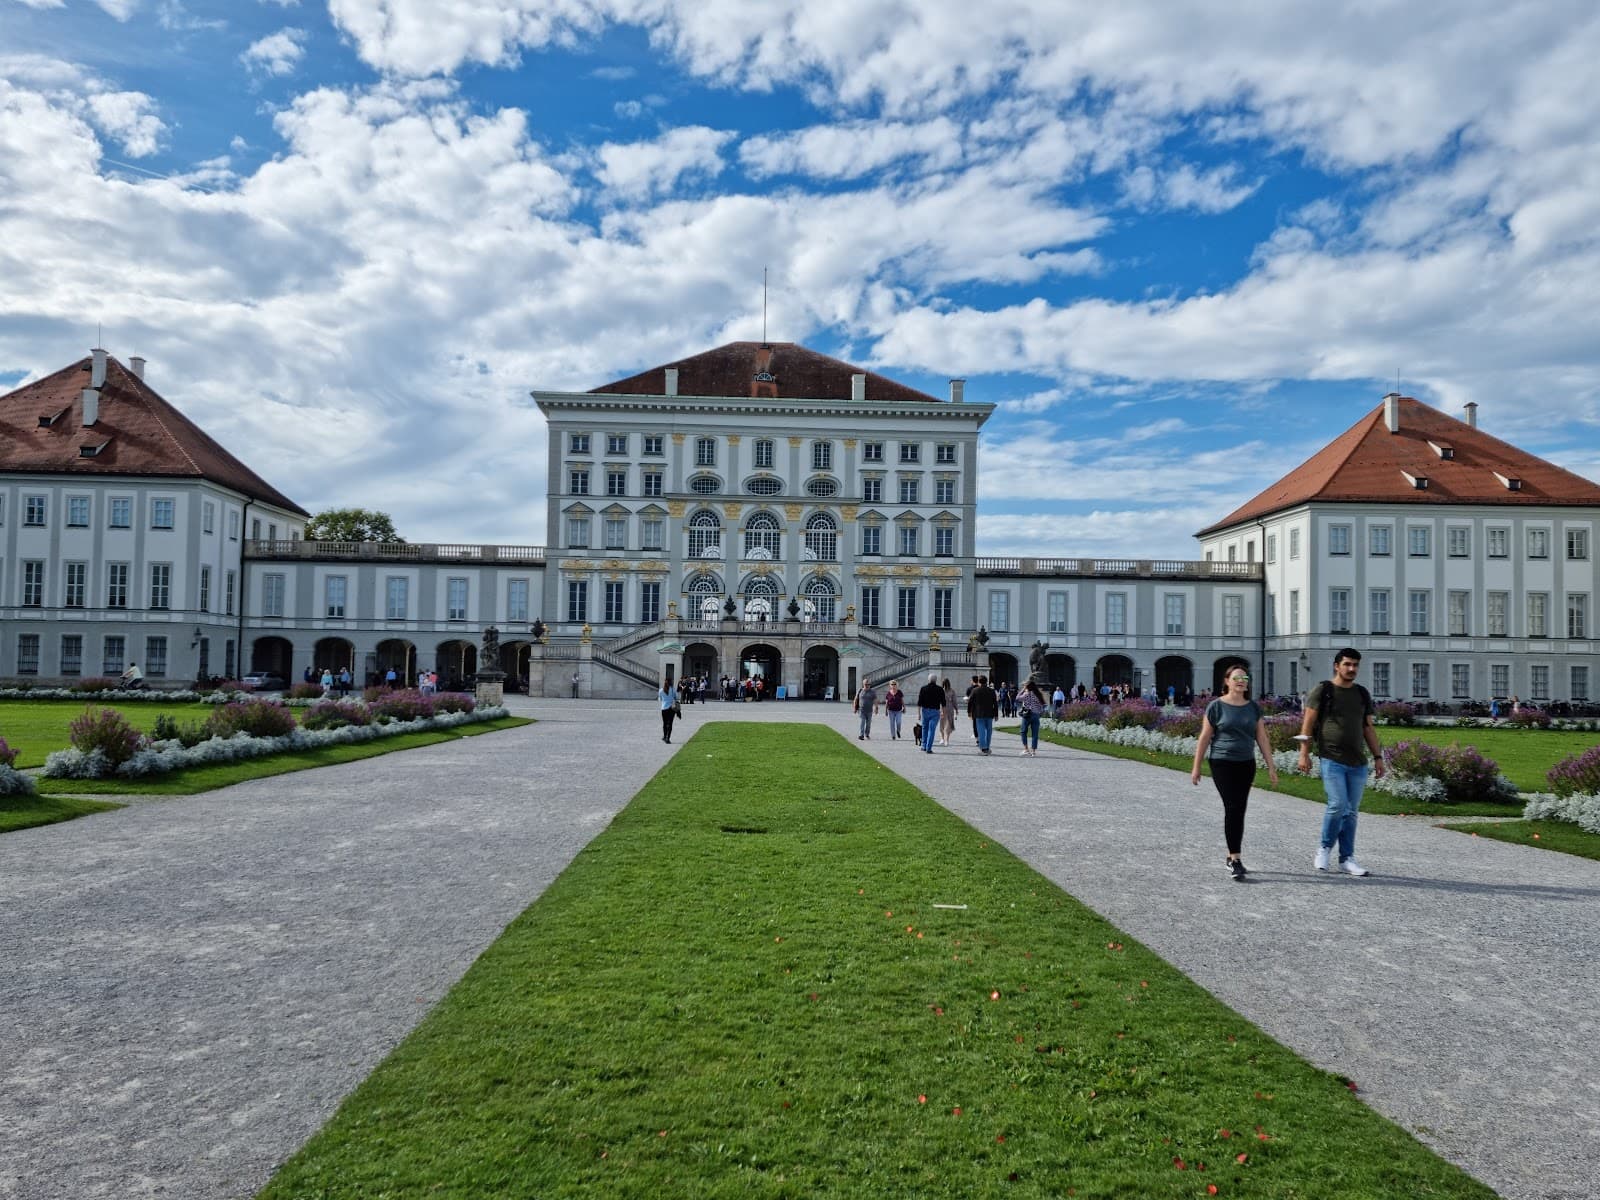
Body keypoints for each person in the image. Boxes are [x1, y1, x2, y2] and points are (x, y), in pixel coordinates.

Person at [1296, 648, 1385, 877]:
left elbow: (1368, 728)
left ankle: (1347, 858)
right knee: (1337, 805)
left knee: (1351, 812)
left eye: (1355, 665)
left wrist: (1378, 757)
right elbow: (1307, 724)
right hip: (1331, 758)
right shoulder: (1323, 690)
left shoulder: (1361, 693)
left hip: (1358, 762)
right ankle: (1324, 848)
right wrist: (1304, 753)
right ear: (1337, 665)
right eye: (1347, 664)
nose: (1352, 669)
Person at [1190, 666, 1279, 880]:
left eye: (1244, 677)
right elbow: (1204, 737)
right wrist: (1196, 766)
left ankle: (1232, 856)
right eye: (1236, 677)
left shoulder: (1253, 708)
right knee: (1233, 807)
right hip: (1222, 763)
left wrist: (1271, 767)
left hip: (1246, 763)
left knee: (1239, 809)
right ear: (1227, 681)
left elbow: (1262, 738)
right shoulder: (1216, 706)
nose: (1241, 681)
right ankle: (1235, 858)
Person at [968, 674, 999, 754]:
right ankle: (987, 747)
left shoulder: (975, 690)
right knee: (989, 732)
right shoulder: (991, 691)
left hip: (979, 714)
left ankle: (983, 748)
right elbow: (995, 704)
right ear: (986, 682)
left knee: (981, 731)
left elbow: (970, 702)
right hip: (989, 713)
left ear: (979, 682)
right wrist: (996, 714)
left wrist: (969, 712)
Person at [916, 672, 945, 753]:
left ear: (928, 680)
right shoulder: (940, 689)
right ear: (936, 680)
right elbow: (943, 702)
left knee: (925, 728)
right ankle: (929, 748)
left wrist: (918, 713)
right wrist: (943, 712)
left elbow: (919, 702)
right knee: (931, 730)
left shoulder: (923, 688)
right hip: (935, 712)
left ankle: (923, 746)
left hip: (925, 711)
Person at [1017, 679, 1047, 756]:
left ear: (1027, 687)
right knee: (1035, 733)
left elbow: (1017, 698)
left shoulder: (1026, 694)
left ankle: (1026, 749)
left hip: (1027, 714)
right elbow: (1042, 705)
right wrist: (1039, 712)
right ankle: (1033, 751)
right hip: (1036, 715)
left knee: (1023, 732)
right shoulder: (1038, 694)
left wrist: (1023, 690)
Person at [658, 678, 679, 743]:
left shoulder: (661, 690)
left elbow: (660, 699)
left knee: (664, 723)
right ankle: (668, 738)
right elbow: (676, 697)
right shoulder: (672, 689)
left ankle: (664, 736)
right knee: (670, 724)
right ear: (671, 682)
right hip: (671, 708)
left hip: (664, 708)